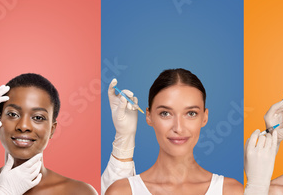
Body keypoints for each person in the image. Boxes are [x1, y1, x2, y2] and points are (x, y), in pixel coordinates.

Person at [104, 68, 243, 195]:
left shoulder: (231, 191)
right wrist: (124, 138)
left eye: (191, 113)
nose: (178, 128)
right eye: (165, 113)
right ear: (149, 116)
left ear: (204, 117)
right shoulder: (122, 191)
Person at [0, 73, 97, 194]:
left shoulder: (79, 192)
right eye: (13, 114)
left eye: (38, 117)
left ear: (52, 130)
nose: (23, 126)